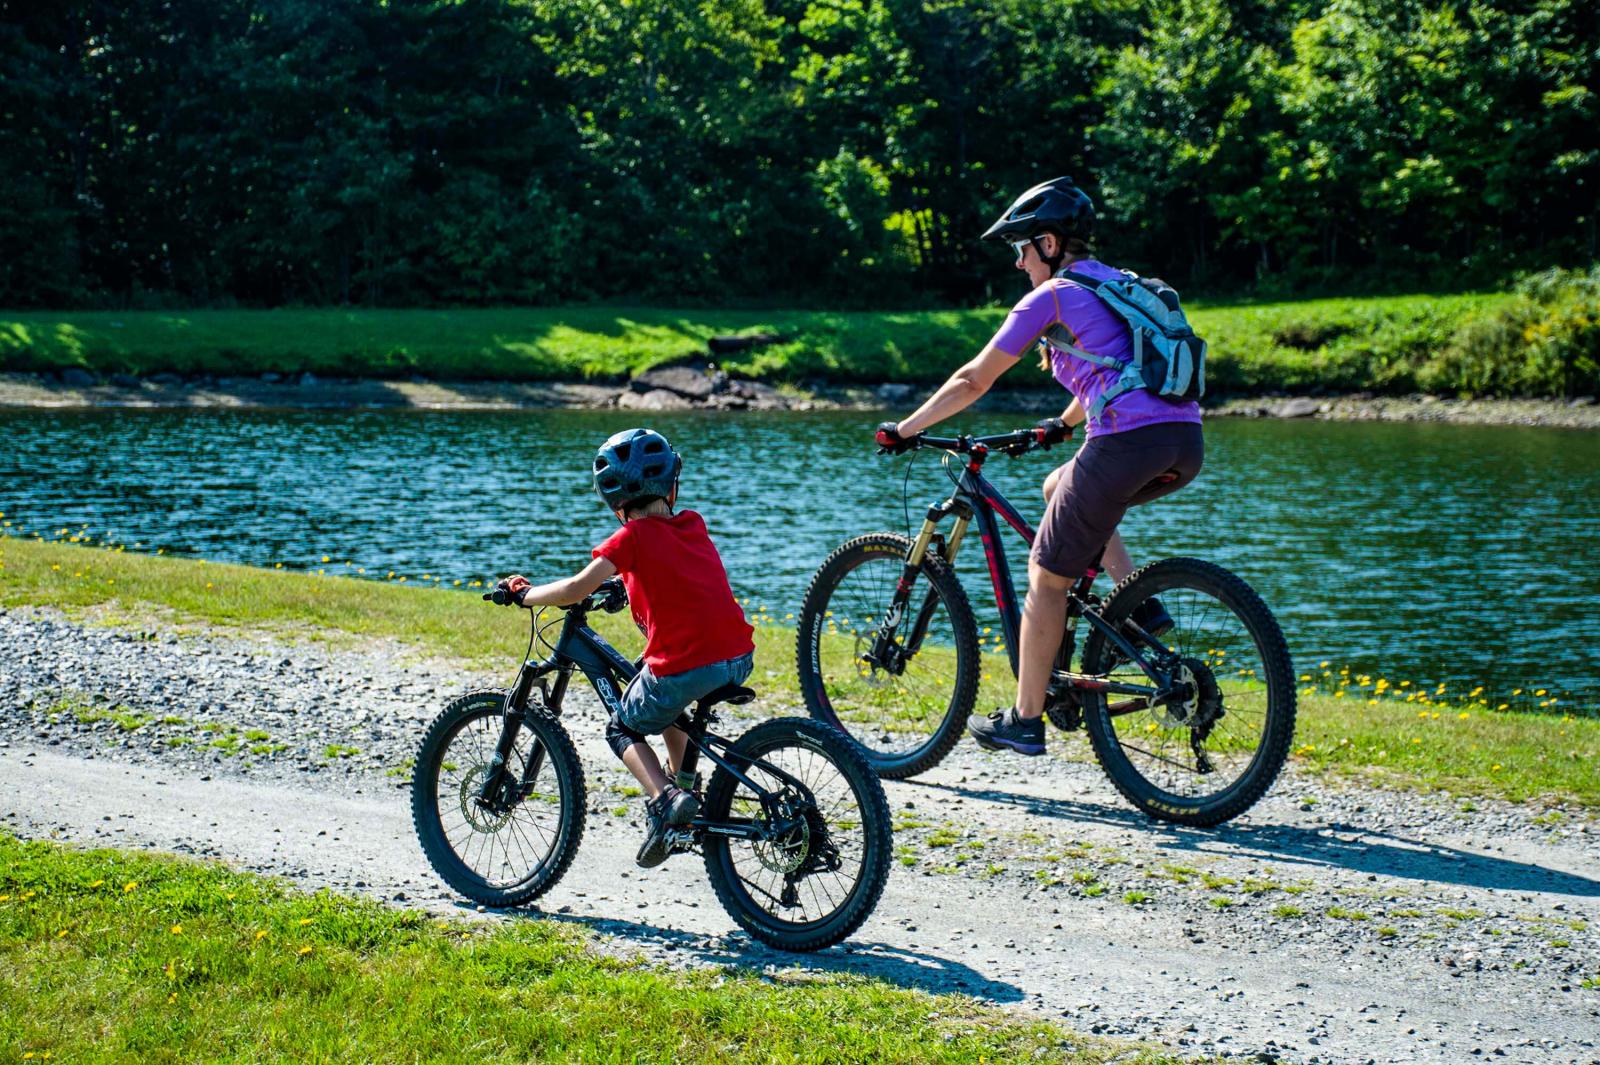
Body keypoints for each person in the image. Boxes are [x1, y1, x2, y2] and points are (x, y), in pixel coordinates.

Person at [874, 175, 1204, 757]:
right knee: (1059, 484)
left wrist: (906, 429)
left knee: (1045, 582)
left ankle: (1025, 720)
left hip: (1128, 443)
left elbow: (974, 378)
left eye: (1021, 249)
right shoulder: (1118, 285)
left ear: (1048, 244)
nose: (1018, 264)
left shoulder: (1050, 296)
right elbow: (1117, 366)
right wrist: (1061, 425)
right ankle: (1137, 608)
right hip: (1183, 440)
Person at [495, 427, 755, 866]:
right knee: (652, 682)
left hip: (687, 664)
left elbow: (577, 588)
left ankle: (666, 799)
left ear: (614, 501)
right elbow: (671, 568)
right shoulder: (692, 522)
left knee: (622, 727)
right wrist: (625, 581)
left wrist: (526, 594)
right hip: (737, 657)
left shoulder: (629, 540)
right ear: (672, 485)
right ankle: (686, 788)